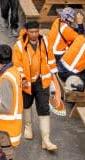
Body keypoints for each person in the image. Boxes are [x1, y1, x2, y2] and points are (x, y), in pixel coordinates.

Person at [12, 20, 59, 151]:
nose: (34, 34)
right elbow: (17, 65)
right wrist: (22, 79)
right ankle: (28, 127)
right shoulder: (19, 46)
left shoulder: (45, 41)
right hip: (26, 82)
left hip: (42, 80)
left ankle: (46, 140)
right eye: (31, 32)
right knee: (26, 105)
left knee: (44, 108)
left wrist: (54, 78)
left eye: (36, 31)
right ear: (26, 31)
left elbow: (51, 60)